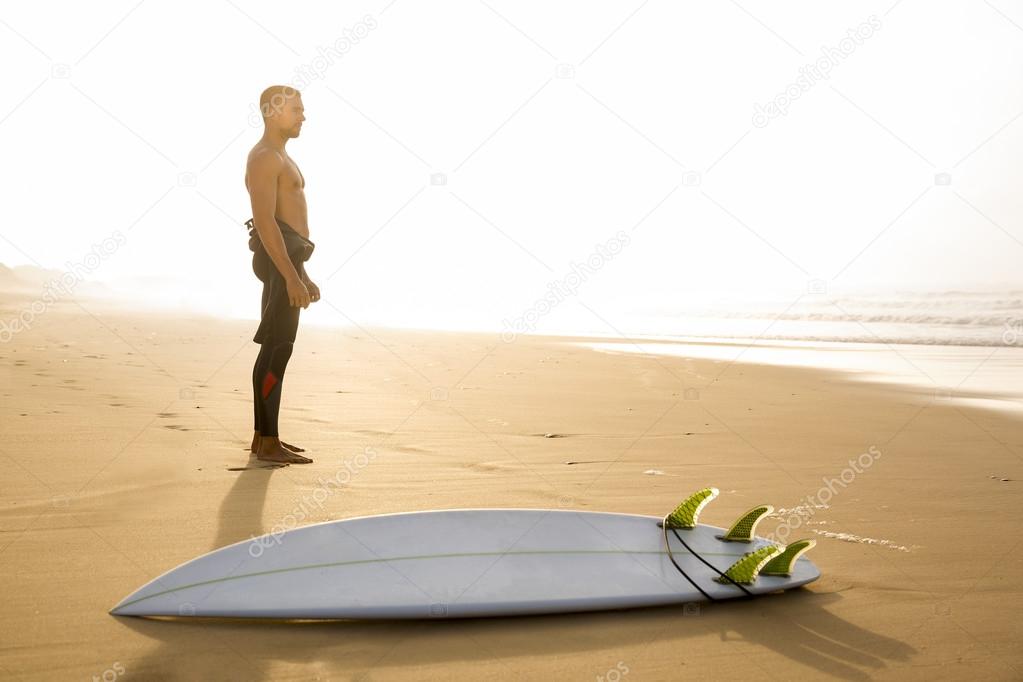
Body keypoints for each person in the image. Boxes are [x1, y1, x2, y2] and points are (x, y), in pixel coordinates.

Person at [245, 85, 319, 465]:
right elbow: (265, 222)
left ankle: (264, 438)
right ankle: (269, 441)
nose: (303, 116)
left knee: (276, 348)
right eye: (296, 109)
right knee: (277, 350)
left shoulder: (280, 157)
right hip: (278, 263)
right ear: (274, 111)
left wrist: (302, 274)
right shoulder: (264, 158)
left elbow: (289, 225)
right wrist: (290, 277)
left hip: (287, 261)